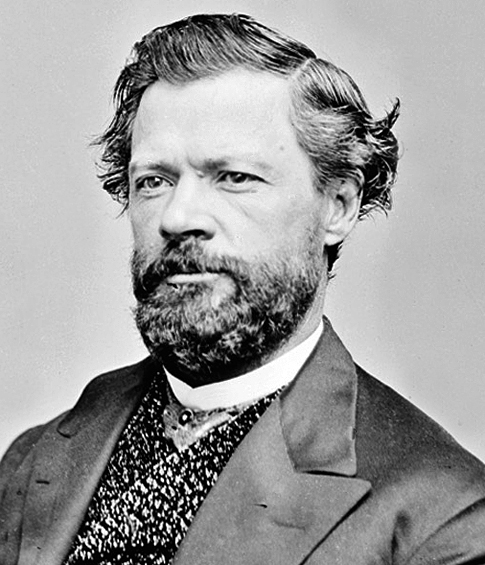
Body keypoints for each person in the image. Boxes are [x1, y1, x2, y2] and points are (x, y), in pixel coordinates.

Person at [1, 12, 484, 565]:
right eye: (153, 182)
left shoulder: (445, 523)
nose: (178, 217)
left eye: (235, 177)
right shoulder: (29, 462)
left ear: (339, 207)